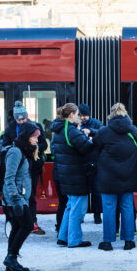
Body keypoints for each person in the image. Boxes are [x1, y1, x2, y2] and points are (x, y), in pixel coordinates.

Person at [93, 103, 137, 251]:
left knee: (108, 208)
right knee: (127, 207)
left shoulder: (103, 132)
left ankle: (107, 242)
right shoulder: (134, 131)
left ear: (111, 115)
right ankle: (128, 241)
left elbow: (96, 148)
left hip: (107, 177)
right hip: (128, 175)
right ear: (125, 113)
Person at [52, 103, 94, 248]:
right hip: (77, 175)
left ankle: (63, 236)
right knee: (78, 208)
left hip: (65, 174)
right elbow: (86, 148)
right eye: (77, 114)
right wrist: (91, 140)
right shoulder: (71, 131)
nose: (78, 117)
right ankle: (74, 240)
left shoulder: (58, 130)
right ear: (71, 115)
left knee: (70, 206)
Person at [4, 101, 47, 235]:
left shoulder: (36, 126)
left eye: (23, 119)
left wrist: (33, 148)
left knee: (30, 194)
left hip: (32, 166)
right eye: (18, 119)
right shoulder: (10, 128)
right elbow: (4, 143)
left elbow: (44, 144)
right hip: (17, 166)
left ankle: (32, 222)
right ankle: (14, 222)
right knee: (14, 195)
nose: (21, 121)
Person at [1, 121, 37, 271]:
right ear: (27, 137)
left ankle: (11, 260)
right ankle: (11, 257)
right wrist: (15, 198)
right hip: (14, 198)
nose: (37, 140)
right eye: (35, 137)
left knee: (17, 226)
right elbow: (9, 178)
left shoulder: (24, 151)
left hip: (19, 197)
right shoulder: (15, 152)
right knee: (27, 225)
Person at [77, 103, 103, 225]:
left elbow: (103, 133)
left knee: (96, 192)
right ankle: (81, 216)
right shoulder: (75, 125)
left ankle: (97, 215)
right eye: (81, 115)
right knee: (82, 192)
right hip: (81, 162)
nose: (83, 118)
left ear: (89, 115)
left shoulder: (96, 123)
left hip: (95, 162)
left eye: (85, 116)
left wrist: (90, 131)